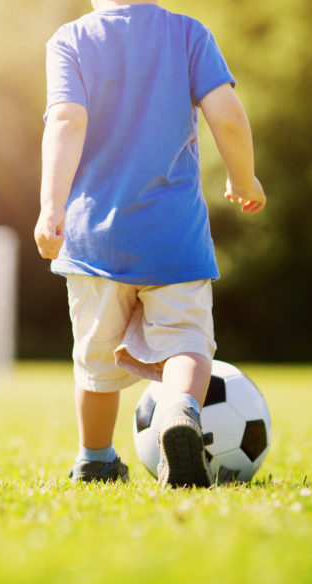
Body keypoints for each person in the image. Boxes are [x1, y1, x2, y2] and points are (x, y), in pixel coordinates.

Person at [34, 0, 266, 487]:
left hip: (95, 239)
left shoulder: (71, 40)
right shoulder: (188, 34)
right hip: (173, 237)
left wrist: (51, 206)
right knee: (186, 342)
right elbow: (227, 116)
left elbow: (66, 122)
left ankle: (95, 459)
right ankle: (181, 412)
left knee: (95, 362)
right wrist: (244, 179)